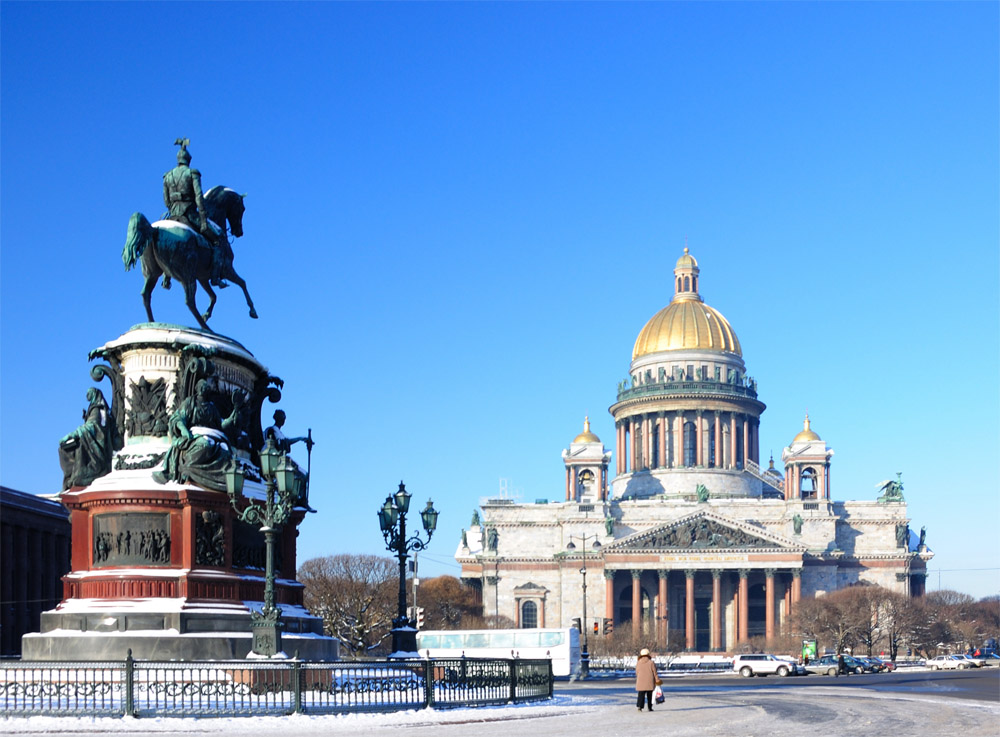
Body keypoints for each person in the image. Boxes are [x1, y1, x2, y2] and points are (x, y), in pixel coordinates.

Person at [161, 139, 225, 288]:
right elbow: (198, 197)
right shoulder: (192, 173)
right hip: (189, 214)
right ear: (188, 160)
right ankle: (215, 277)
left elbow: (166, 200)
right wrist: (203, 217)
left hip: (172, 214)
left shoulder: (167, 176)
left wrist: (173, 207)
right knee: (217, 240)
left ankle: (166, 276)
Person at [635, 647, 660, 712]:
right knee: (650, 695)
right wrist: (657, 680)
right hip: (649, 681)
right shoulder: (651, 662)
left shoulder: (638, 663)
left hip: (641, 682)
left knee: (641, 695)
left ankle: (640, 707)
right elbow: (655, 672)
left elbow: (637, 672)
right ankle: (650, 707)